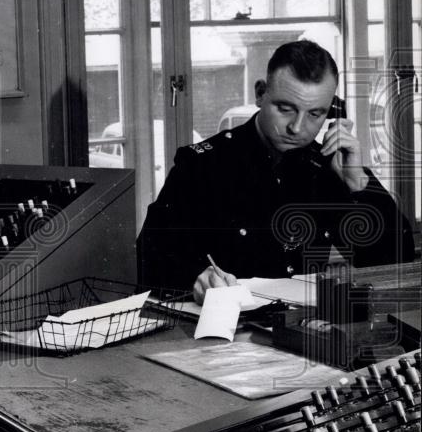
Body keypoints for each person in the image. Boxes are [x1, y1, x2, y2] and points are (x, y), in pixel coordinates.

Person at [137, 40, 416, 304]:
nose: (297, 127)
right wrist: (195, 277)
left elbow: (395, 264)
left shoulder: (329, 167)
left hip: (305, 330)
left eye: (315, 114)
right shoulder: (203, 165)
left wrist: (359, 183)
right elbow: (149, 258)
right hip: (226, 331)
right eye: (285, 109)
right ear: (260, 94)